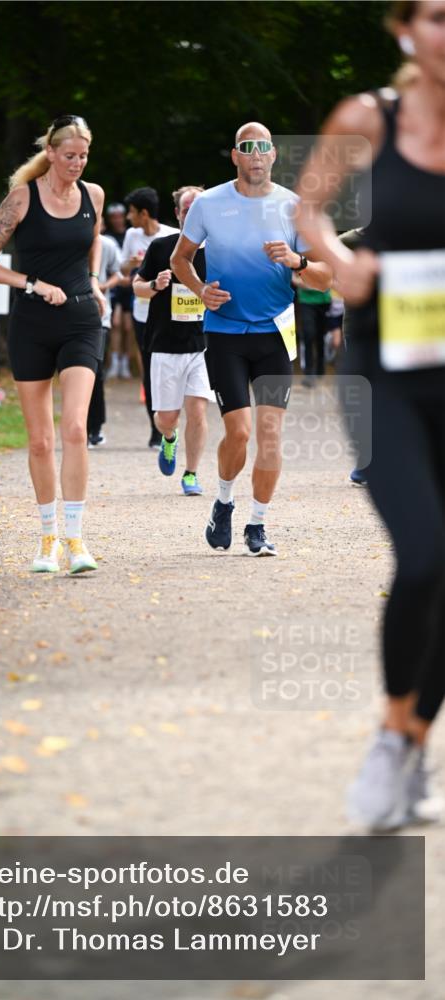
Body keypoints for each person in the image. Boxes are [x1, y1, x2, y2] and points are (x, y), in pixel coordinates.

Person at [296, 0, 445, 829]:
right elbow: (308, 209)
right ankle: (391, 741)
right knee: (424, 555)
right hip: (385, 372)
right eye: (436, 16)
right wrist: (340, 260)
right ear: (404, 30)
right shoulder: (368, 117)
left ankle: (413, 741)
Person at [171, 123, 332, 555]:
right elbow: (179, 258)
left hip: (275, 334)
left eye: (263, 148)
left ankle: (256, 525)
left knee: (270, 434)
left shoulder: (293, 207)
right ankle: (224, 501)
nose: (256, 155)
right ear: (235, 156)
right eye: (248, 148)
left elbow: (324, 275)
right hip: (224, 332)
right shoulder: (208, 203)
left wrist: (297, 260)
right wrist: (201, 289)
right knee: (239, 432)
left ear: (274, 155)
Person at [0, 114, 106, 575]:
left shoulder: (94, 196)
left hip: (81, 322)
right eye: (69, 155)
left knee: (74, 429)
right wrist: (32, 284)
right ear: (50, 153)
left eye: (84, 156)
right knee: (40, 441)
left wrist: (93, 280)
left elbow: (92, 240)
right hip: (31, 324)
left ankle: (76, 539)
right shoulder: (22, 199)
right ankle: (47, 538)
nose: (77, 163)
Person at [133, 185, 212, 496]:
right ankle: (168, 439)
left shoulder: (217, 251)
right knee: (167, 418)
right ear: (178, 214)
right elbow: (137, 286)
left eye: (197, 210)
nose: (191, 215)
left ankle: (191, 473)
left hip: (203, 345)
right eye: (185, 210)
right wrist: (154, 283)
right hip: (165, 344)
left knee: (198, 410)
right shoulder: (161, 247)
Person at [121, 187, 179, 448]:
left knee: (168, 368)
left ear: (144, 213)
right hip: (141, 313)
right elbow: (123, 270)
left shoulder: (170, 237)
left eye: (131, 213)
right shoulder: (132, 236)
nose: (128, 217)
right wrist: (133, 264)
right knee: (148, 369)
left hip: (167, 314)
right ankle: (156, 431)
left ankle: (169, 422)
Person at [87, 231, 122, 447]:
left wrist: (102, 286)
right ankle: (80, 426)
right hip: (68, 314)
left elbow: (118, 274)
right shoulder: (66, 238)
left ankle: (95, 427)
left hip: (100, 317)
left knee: (95, 372)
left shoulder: (106, 244)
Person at [104, 203, 134, 379]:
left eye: (119, 216)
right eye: (113, 216)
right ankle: (114, 363)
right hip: (116, 285)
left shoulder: (131, 235)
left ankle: (126, 363)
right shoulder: (108, 238)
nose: (116, 219)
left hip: (130, 287)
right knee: (116, 324)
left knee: (129, 327)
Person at [294, 276, 331, 387]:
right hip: (306, 300)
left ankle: (320, 367)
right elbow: (293, 277)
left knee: (321, 336)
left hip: (324, 301)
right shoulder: (302, 258)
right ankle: (308, 372)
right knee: (308, 334)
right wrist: (311, 286)